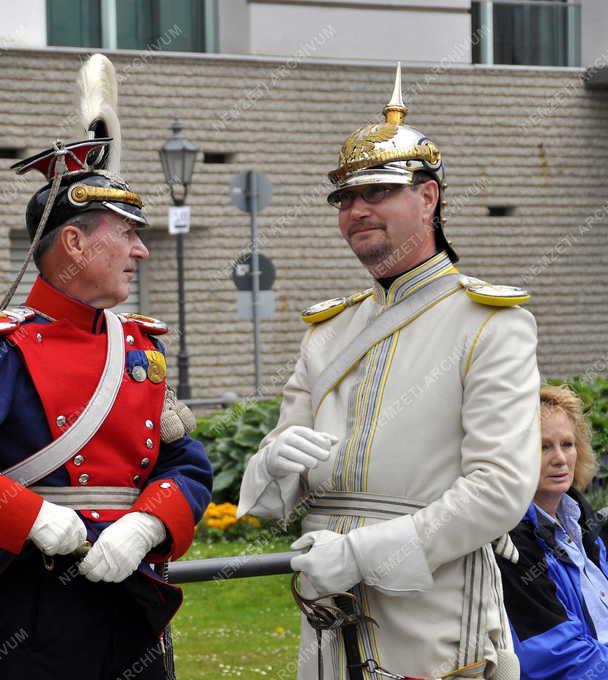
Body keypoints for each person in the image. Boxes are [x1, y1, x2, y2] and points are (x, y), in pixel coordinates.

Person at [0, 54, 212, 680]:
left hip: (134, 588)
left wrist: (146, 523)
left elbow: (186, 464)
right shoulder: (3, 349)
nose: (141, 249)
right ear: (75, 243)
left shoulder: (138, 347)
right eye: (127, 234)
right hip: (32, 602)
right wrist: (30, 517)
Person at [237, 64, 540, 679]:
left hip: (432, 603)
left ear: (427, 197)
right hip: (324, 601)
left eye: (375, 191)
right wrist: (269, 463)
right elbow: (274, 498)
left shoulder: (489, 321)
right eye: (345, 198)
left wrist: (360, 555)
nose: (355, 210)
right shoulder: (329, 330)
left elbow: (499, 490)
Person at [497, 384, 608, 679]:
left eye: (567, 444)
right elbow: (560, 661)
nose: (560, 458)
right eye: (543, 446)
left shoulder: (586, 529)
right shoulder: (510, 543)